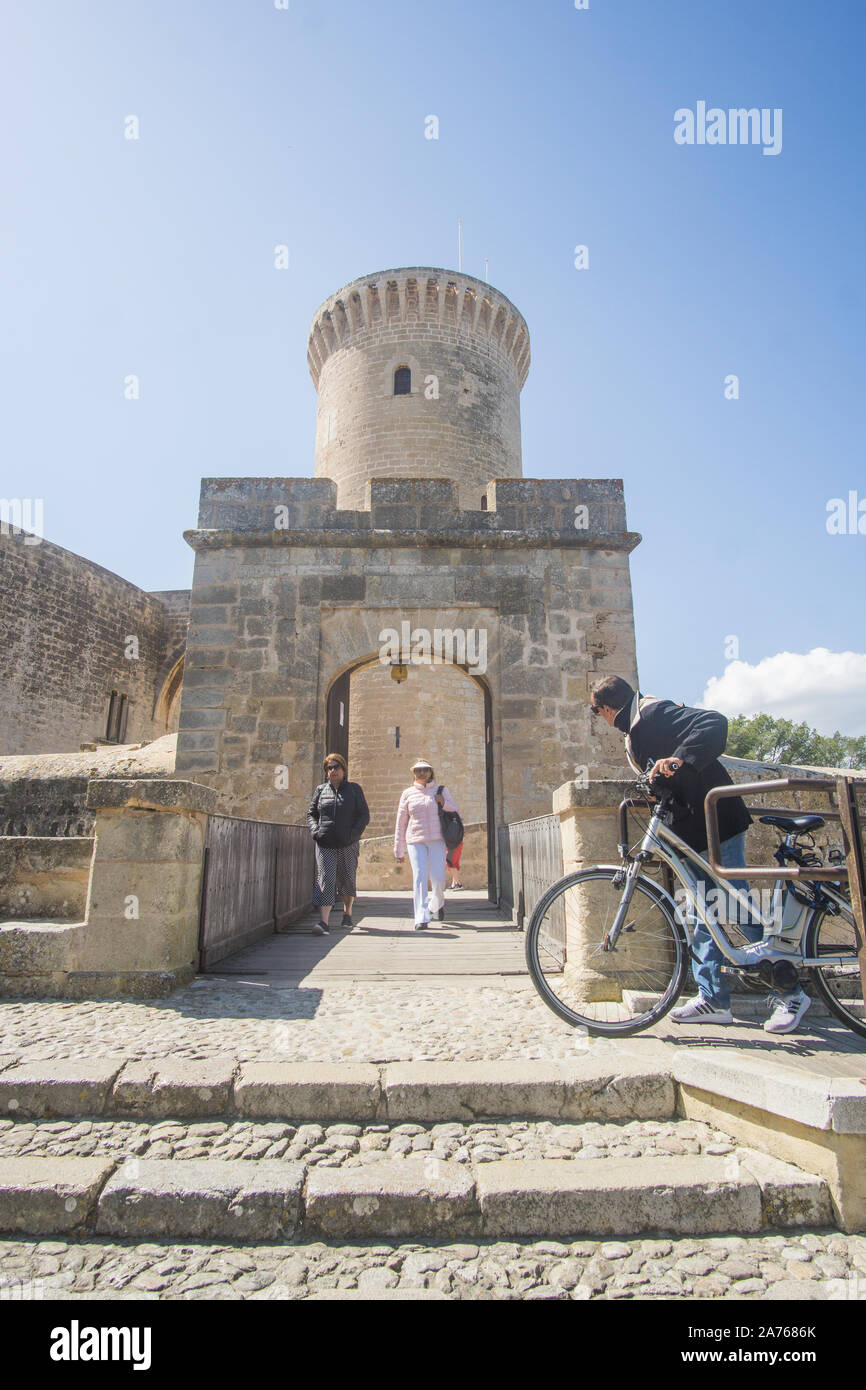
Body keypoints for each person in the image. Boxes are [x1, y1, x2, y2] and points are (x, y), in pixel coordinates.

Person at [590, 675, 811, 1035]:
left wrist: (679, 760)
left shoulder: (653, 713)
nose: (599, 717)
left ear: (607, 708)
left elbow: (714, 723)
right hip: (690, 830)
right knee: (701, 911)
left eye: (596, 710)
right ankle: (714, 998)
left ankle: (791, 993)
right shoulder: (635, 730)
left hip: (715, 823)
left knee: (736, 907)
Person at [307, 753, 370, 935]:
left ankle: (347, 912)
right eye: (329, 768)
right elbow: (311, 814)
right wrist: (315, 831)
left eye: (336, 767)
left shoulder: (354, 790)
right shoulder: (320, 791)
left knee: (347, 879)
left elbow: (363, 815)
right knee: (325, 879)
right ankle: (324, 922)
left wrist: (354, 834)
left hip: (347, 843)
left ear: (343, 769)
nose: (332, 771)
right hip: (325, 842)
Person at [394, 758, 460, 930]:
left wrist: (443, 803)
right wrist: (398, 849)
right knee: (420, 876)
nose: (421, 773)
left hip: (437, 839)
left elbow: (455, 809)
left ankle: (435, 905)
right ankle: (421, 917)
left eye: (425, 770)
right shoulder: (407, 794)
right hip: (415, 840)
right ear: (413, 773)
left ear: (431, 772)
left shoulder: (441, 791)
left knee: (438, 878)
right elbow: (401, 822)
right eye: (418, 770)